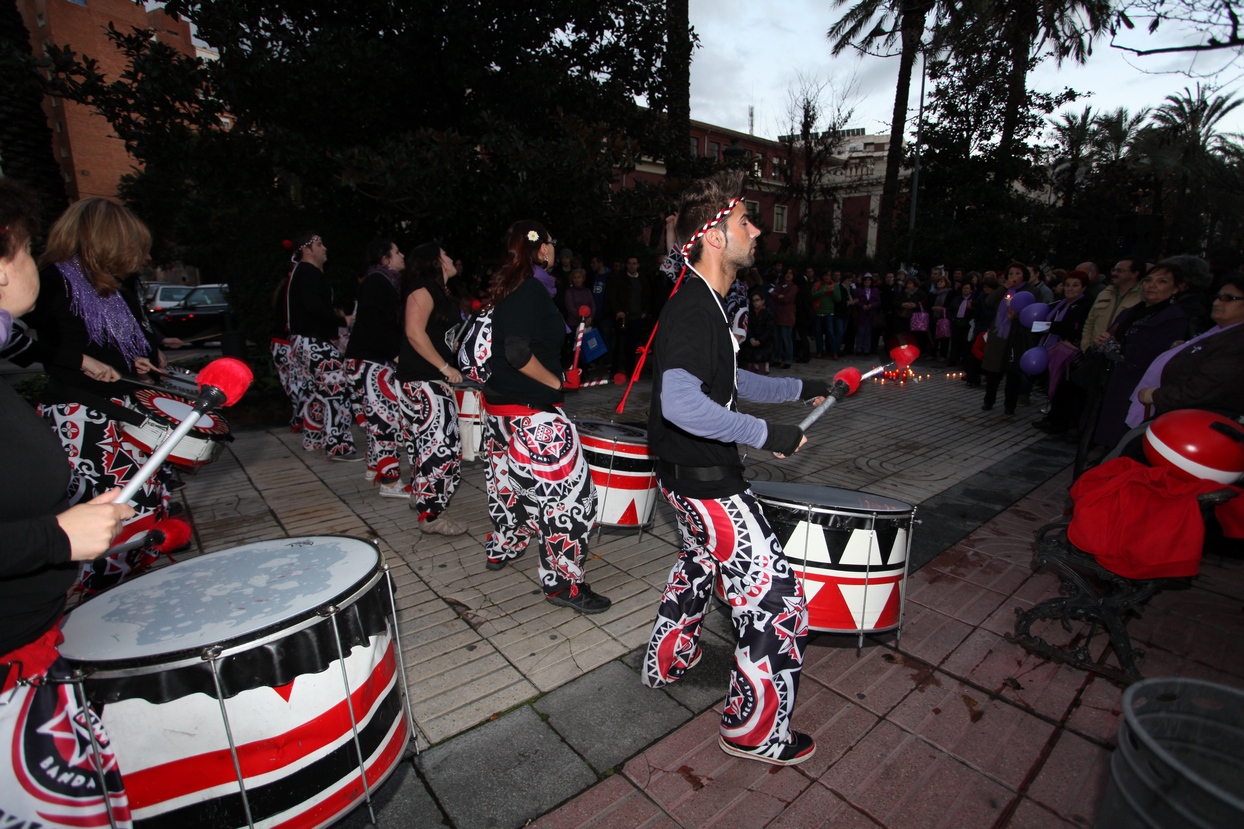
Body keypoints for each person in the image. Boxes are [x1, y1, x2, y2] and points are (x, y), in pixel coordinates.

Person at [642, 171, 830, 766]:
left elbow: (728, 380)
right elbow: (682, 402)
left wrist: (807, 388)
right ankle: (753, 732)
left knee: (699, 565)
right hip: (708, 484)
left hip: (682, 478)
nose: (756, 230)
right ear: (714, 237)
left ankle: (666, 661)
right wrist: (764, 433)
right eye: (745, 220)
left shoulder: (702, 301)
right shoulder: (698, 308)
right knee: (778, 601)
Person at [0, 177, 136, 825]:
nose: (33, 258)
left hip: (33, 655)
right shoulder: (57, 285)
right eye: (22, 246)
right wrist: (58, 538)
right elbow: (54, 350)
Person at [26, 197, 175, 593]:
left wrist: (138, 361)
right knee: (108, 511)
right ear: (108, 240)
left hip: (121, 408)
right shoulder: (53, 279)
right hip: (82, 415)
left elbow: (119, 345)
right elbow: (14, 343)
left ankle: (136, 586)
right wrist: (79, 360)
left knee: (141, 502)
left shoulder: (110, 285)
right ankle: (105, 594)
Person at [480, 221, 610, 613]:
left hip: (503, 412)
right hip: (532, 418)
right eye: (552, 242)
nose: (557, 248)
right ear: (540, 250)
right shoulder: (530, 289)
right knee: (573, 502)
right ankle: (563, 585)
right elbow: (518, 353)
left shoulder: (510, 287)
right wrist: (555, 381)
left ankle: (504, 545)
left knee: (512, 490)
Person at [396, 243, 468, 535]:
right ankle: (432, 514)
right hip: (424, 380)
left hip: (427, 379)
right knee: (440, 449)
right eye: (447, 254)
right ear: (436, 261)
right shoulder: (423, 289)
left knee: (428, 447)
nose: (452, 258)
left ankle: (424, 500)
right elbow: (413, 331)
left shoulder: (438, 291)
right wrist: (444, 367)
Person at [1093, 261, 1190, 448]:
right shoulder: (1132, 312)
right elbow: (1113, 336)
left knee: (1124, 439)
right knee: (1107, 435)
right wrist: (1101, 342)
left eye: (1162, 281)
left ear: (1177, 288)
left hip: (1139, 386)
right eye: (1148, 280)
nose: (1152, 285)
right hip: (1113, 380)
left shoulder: (1174, 318)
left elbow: (1154, 353)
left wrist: (1113, 347)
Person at [1130, 275, 1244, 425]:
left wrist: (1156, 395)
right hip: (1180, 417)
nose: (1217, 302)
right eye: (1217, 297)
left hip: (1197, 424)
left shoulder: (1237, 343)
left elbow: (1205, 388)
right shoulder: (1218, 333)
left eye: (1228, 298)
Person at [287, 231, 360, 460]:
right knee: (335, 392)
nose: (324, 248)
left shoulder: (302, 273)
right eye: (319, 244)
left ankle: (314, 439)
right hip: (314, 342)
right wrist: (341, 321)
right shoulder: (308, 272)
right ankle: (338, 447)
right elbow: (314, 308)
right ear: (306, 249)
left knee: (316, 392)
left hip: (305, 341)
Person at [345, 238, 406, 493]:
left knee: (378, 418)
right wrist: (394, 354)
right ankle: (390, 483)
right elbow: (373, 324)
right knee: (385, 422)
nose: (402, 255)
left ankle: (374, 468)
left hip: (371, 359)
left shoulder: (384, 281)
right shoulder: (377, 281)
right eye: (397, 251)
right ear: (385, 258)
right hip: (371, 361)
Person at [1033, 270, 1093, 435]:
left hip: (1071, 354)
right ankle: (1053, 418)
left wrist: (1050, 327)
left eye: (1075, 285)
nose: (1070, 288)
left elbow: (1076, 327)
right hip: (1054, 348)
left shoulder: (1085, 305)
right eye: (1067, 285)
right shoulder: (1061, 303)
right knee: (1054, 384)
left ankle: (1061, 423)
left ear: (1083, 287)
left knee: (1065, 388)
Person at [981, 263, 1032, 414]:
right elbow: (989, 302)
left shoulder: (1029, 291)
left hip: (1016, 336)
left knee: (1013, 373)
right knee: (993, 372)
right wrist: (1004, 287)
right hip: (999, 335)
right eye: (1011, 274)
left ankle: (1010, 405)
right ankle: (988, 401)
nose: (1014, 277)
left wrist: (1018, 315)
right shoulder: (1004, 290)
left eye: (1018, 274)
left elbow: (1033, 313)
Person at [771, 268, 797, 368]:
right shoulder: (780, 285)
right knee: (777, 339)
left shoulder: (793, 287)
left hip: (787, 316)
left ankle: (788, 360)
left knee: (786, 339)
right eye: (787, 273)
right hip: (777, 315)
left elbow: (787, 299)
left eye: (791, 273)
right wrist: (779, 296)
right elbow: (773, 295)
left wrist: (779, 297)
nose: (788, 275)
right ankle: (777, 358)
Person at [854, 273, 882, 355]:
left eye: (869, 280)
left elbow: (878, 301)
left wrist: (871, 305)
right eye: (866, 280)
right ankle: (859, 349)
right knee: (860, 331)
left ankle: (866, 349)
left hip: (871, 314)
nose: (867, 282)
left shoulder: (875, 290)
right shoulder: (859, 290)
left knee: (868, 332)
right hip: (861, 313)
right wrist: (862, 305)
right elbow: (856, 300)